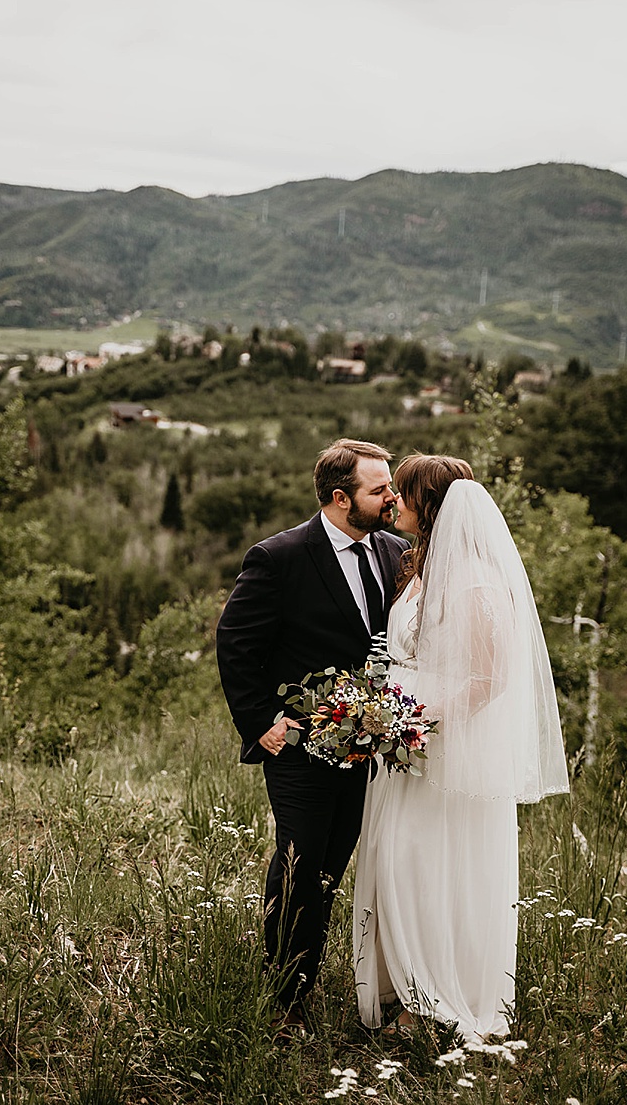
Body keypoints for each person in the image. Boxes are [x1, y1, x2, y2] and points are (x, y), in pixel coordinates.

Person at [353, 457, 570, 1041]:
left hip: (438, 746)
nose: (394, 502)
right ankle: (403, 986)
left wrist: (411, 723)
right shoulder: (422, 566)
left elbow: (488, 679)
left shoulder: (474, 579)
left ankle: (436, 997)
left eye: (404, 493)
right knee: (395, 860)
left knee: (428, 864)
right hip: (399, 740)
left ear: (433, 503)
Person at [216, 438, 410, 1039]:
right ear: (338, 497)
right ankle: (285, 1002)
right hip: (298, 745)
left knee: (333, 864)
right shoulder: (280, 557)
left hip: (369, 747)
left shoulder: (394, 551)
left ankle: (309, 972)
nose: (391, 498)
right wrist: (261, 724)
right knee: (301, 863)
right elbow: (236, 644)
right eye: (379, 489)